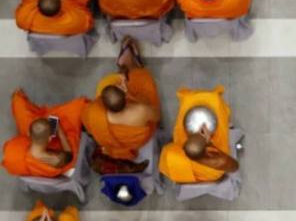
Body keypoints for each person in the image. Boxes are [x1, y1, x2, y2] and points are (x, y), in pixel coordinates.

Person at [83, 38, 161, 175]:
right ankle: (133, 65)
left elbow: (89, 127)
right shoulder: (140, 111)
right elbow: (157, 116)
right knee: (143, 79)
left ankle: (124, 66)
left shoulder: (92, 110)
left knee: (106, 82)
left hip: (109, 144)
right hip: (137, 142)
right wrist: (137, 99)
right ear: (125, 96)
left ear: (102, 102)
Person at [159, 86, 238, 184]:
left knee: (186, 109)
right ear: (206, 148)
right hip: (211, 175)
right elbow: (235, 167)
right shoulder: (219, 161)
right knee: (215, 101)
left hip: (189, 177)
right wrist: (210, 144)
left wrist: (196, 138)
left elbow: (177, 179)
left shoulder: (172, 155)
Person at [2, 89, 87, 179]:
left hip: (31, 141)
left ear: (28, 133)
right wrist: (59, 130)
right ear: (50, 138)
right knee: (75, 110)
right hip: (53, 146)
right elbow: (69, 155)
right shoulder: (54, 159)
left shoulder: (13, 152)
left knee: (19, 104)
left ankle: (19, 98)